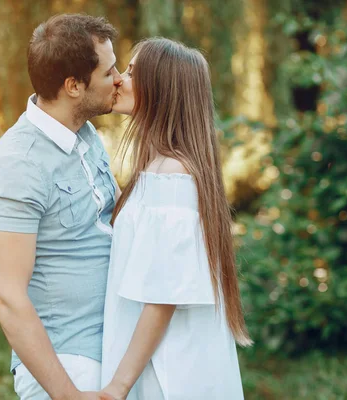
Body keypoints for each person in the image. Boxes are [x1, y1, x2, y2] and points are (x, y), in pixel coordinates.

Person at [0, 14, 122, 400]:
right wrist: (69, 395)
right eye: (110, 72)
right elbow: (8, 296)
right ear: (74, 86)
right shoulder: (16, 165)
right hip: (70, 364)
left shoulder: (86, 134)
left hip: (115, 350)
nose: (120, 78)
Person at [99, 38, 253, 400]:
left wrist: (116, 388)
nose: (119, 78)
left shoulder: (173, 176)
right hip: (159, 361)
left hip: (169, 371)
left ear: (161, 89)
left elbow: (162, 298)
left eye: (132, 72)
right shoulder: (160, 169)